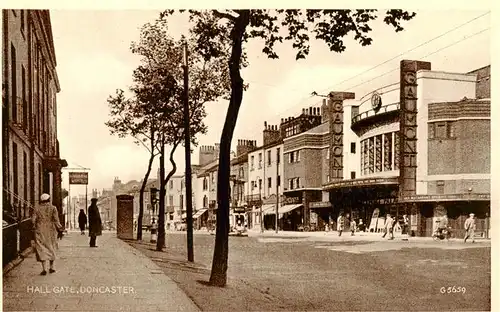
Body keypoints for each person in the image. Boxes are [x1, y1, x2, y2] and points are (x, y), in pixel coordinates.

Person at [32, 193, 64, 275]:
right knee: (51, 247)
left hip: (40, 230)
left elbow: (33, 220)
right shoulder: (53, 208)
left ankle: (44, 269)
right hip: (51, 230)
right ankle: (52, 267)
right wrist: (60, 229)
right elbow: (56, 220)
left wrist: (34, 227)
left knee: (41, 248)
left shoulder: (37, 208)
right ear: (49, 200)